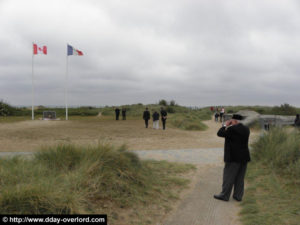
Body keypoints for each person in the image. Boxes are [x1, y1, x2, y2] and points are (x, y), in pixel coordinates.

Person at [214, 114, 250, 202]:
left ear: (235, 121)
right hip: (244, 157)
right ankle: (238, 196)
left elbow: (219, 133)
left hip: (233, 157)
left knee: (228, 177)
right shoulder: (246, 129)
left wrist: (225, 125)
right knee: (240, 178)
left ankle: (224, 195)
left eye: (231, 120)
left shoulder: (232, 129)